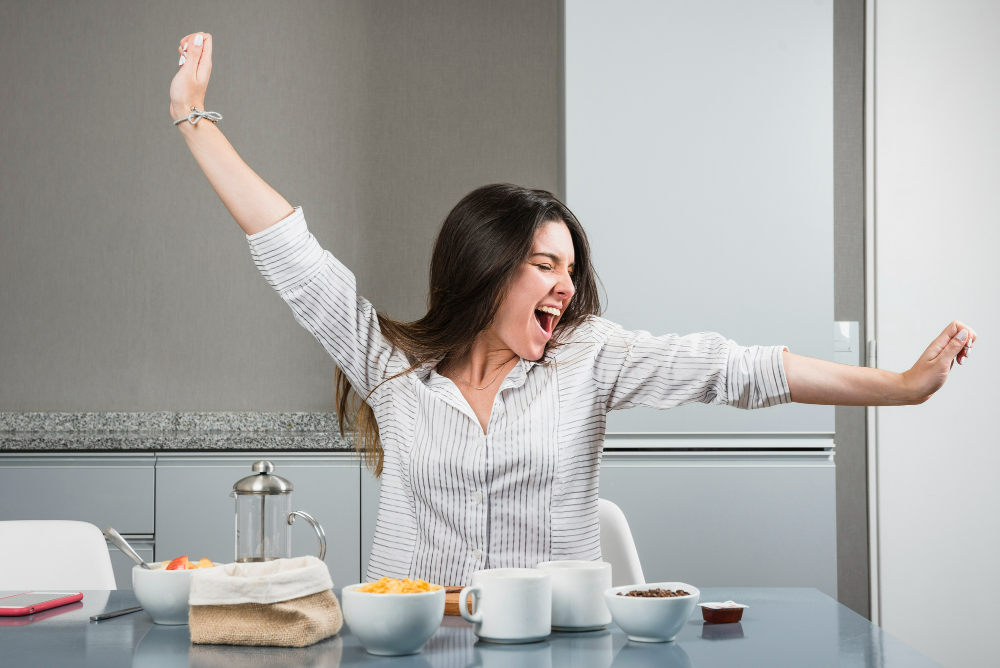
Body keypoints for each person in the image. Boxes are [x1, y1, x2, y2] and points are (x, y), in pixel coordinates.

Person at [170, 33, 977, 586]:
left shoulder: (589, 356)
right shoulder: (390, 364)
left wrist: (902, 386)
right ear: (484, 268)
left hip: (554, 647)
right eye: (543, 264)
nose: (565, 283)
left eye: (572, 268)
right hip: (414, 647)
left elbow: (737, 368)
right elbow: (287, 246)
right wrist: (192, 117)